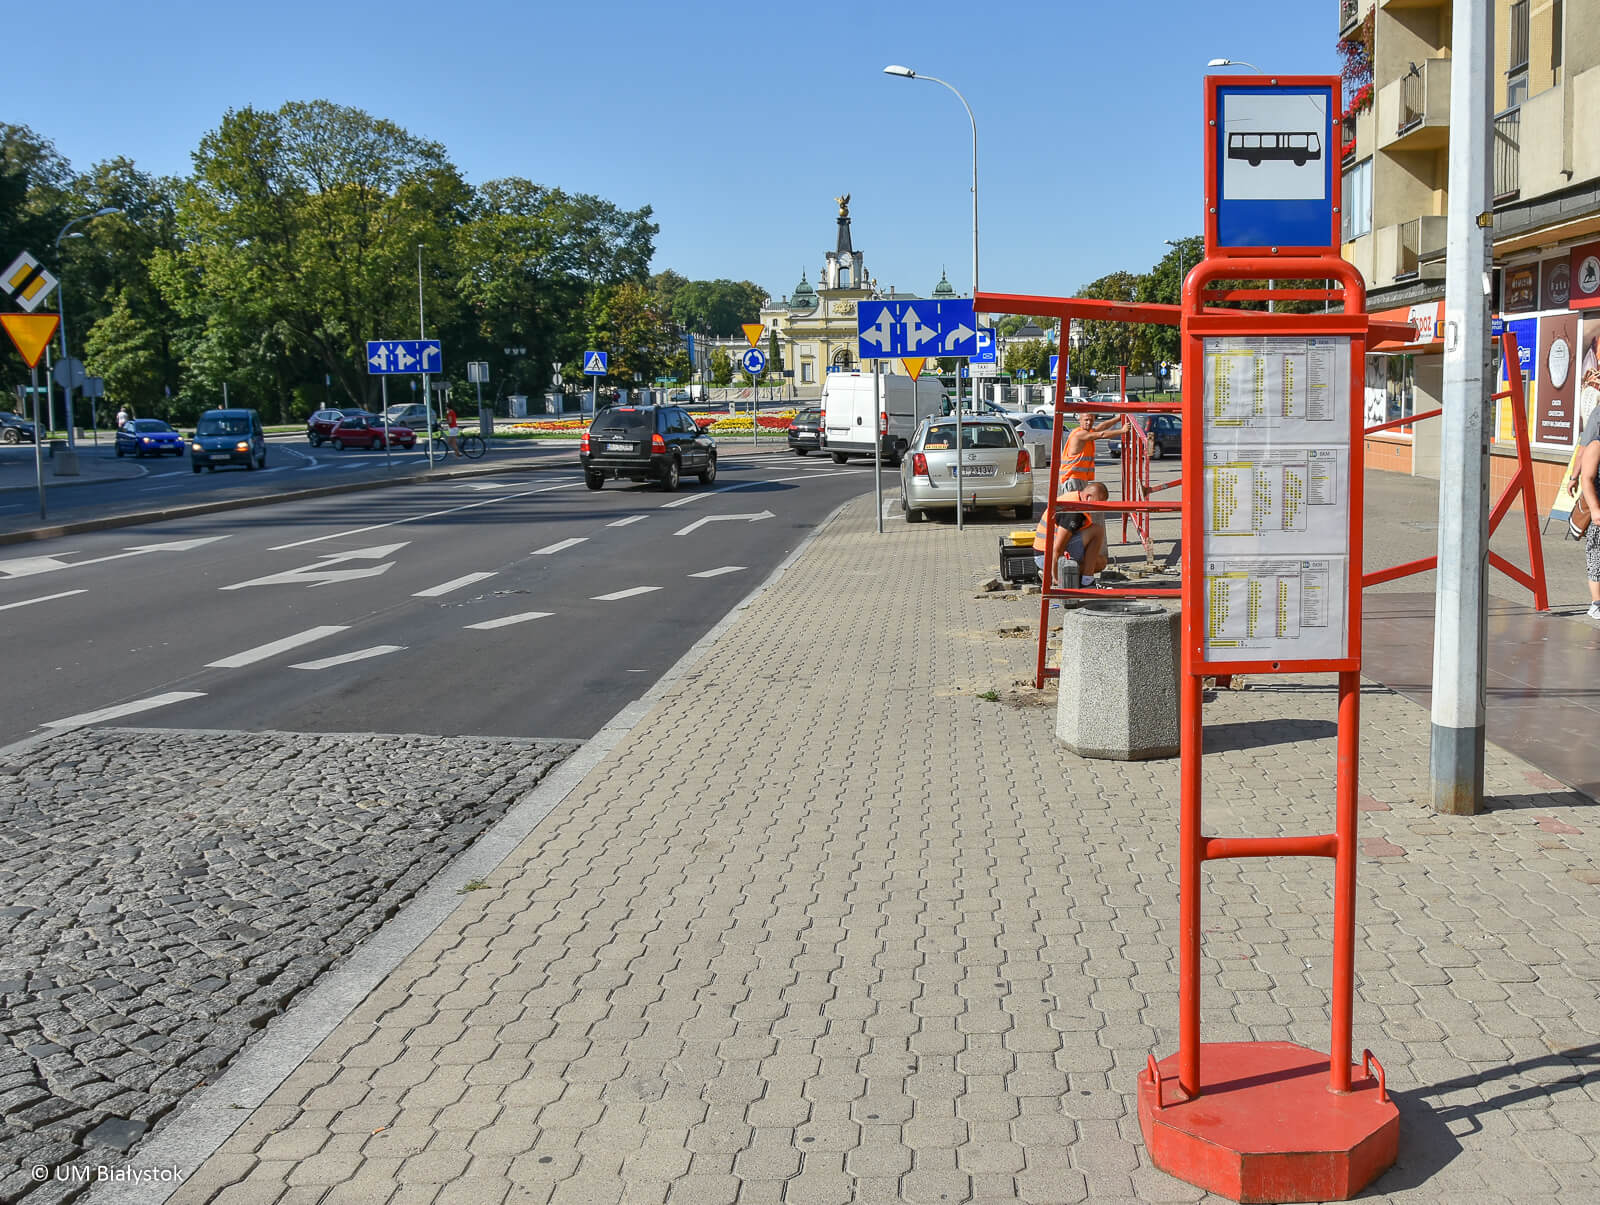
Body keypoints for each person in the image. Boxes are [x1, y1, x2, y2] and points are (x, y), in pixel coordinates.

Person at [1034, 479, 1111, 588]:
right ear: (1088, 497)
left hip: (1044, 554)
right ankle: (1086, 581)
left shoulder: (1075, 498)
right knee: (1097, 531)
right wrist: (1056, 578)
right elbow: (1058, 548)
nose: (1098, 509)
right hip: (1046, 556)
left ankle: (1077, 577)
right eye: (1098, 503)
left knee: (1100, 562)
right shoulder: (1073, 511)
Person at [1061, 413, 1126, 489]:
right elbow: (1102, 435)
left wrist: (1118, 418)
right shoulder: (1079, 434)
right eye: (1086, 420)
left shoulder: (1087, 431)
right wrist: (1122, 430)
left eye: (1091, 420)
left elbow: (1103, 426)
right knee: (1075, 500)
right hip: (1072, 477)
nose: (1089, 422)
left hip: (1078, 477)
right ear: (1079, 420)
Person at [1579, 436, 1600, 620]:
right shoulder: (1596, 445)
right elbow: (1586, 478)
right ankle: (1596, 604)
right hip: (1599, 512)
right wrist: (1594, 509)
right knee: (1597, 557)